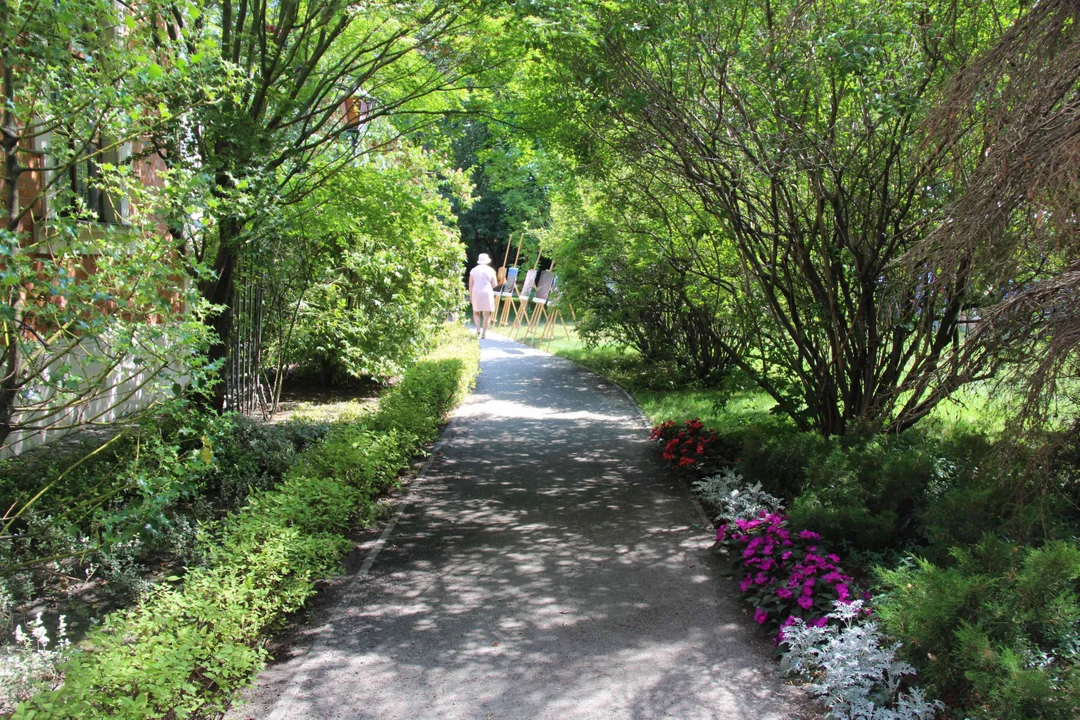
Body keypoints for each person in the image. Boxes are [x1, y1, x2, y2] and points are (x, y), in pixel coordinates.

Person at [468, 253, 498, 339]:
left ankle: (478, 329)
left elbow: (470, 285)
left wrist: (471, 296)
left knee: (476, 312)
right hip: (487, 292)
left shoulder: (473, 270)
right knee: (486, 313)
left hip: (476, 292)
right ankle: (484, 333)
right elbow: (495, 284)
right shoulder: (491, 270)